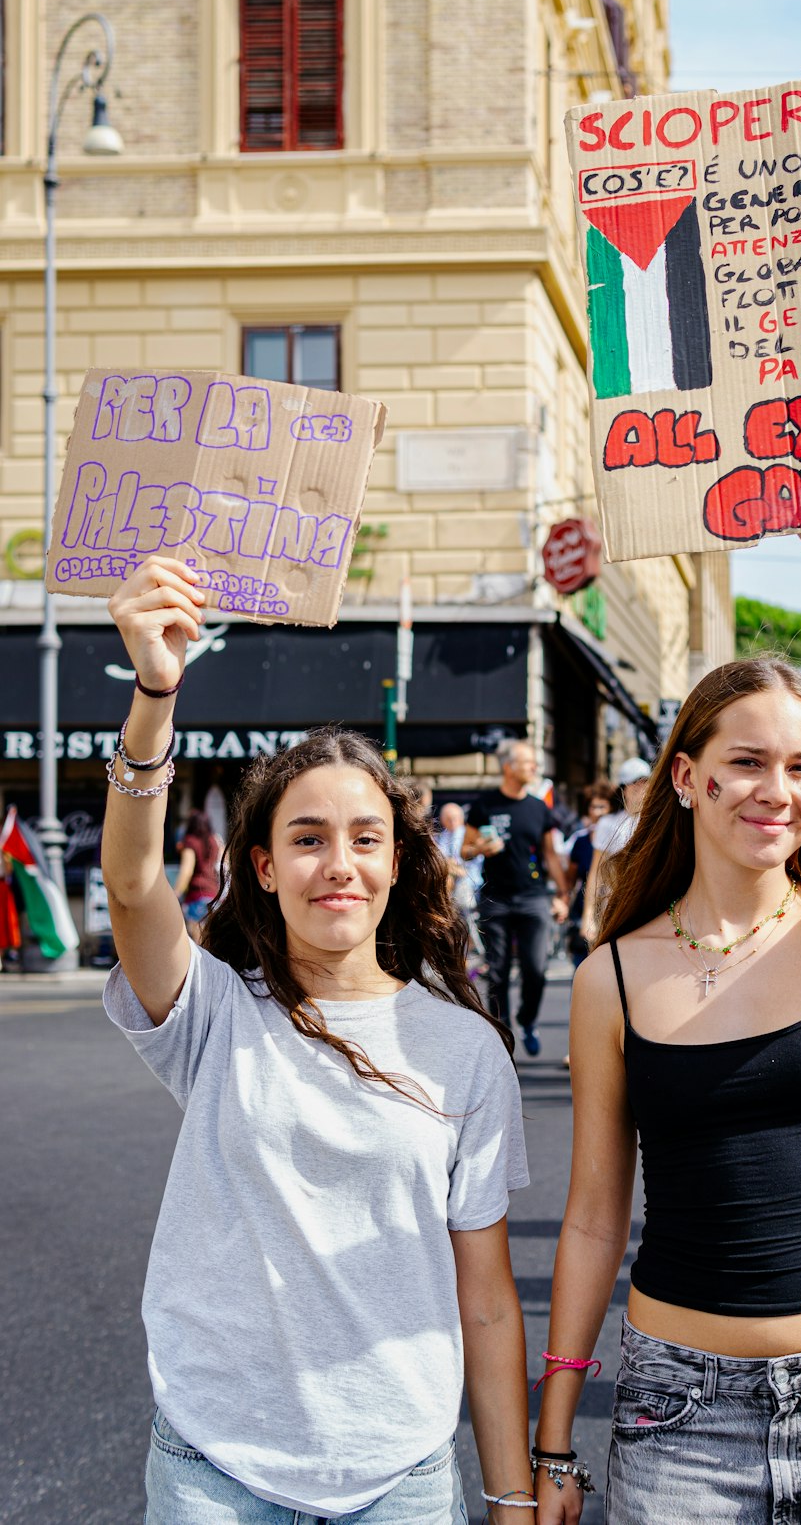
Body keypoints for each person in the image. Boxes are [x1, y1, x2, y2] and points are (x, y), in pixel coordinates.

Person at [535, 482, 801, 1525]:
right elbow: (593, 1218)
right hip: (680, 1420)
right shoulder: (612, 977)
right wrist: (553, 1440)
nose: (780, 790)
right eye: (748, 762)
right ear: (686, 778)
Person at [100, 557, 533, 1525]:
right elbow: (134, 888)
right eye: (306, 838)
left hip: (403, 1477)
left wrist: (508, 1495)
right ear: (261, 867)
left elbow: (491, 1301)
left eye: (364, 838)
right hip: (216, 1468)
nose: (338, 864)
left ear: (395, 861)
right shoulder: (213, 1011)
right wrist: (156, 691)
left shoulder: (464, 1051)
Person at [463, 739, 571, 1055]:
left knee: (535, 968)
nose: (534, 768)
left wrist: (562, 894)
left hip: (534, 897)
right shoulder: (485, 805)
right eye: (528, 763)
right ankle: (502, 1032)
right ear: (508, 767)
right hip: (495, 898)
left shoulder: (539, 808)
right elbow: (465, 851)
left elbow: (550, 855)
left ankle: (527, 1020)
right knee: (497, 970)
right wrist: (482, 848)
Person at [579, 758, 651, 946]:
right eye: (636, 784)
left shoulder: (659, 822)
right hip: (615, 906)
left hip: (651, 903)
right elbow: (596, 872)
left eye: (646, 782)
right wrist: (588, 915)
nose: (642, 788)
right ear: (624, 788)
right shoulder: (608, 824)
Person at [564, 783, 615, 970]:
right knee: (582, 966)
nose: (599, 812)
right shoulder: (581, 841)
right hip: (584, 908)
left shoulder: (620, 838)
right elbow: (571, 877)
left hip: (612, 908)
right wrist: (563, 899)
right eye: (594, 807)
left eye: (603, 806)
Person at [173, 808, 224, 937]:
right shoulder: (215, 842)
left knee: (198, 943)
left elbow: (187, 870)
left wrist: (176, 893)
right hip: (214, 896)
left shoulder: (191, 842)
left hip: (197, 896)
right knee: (211, 942)